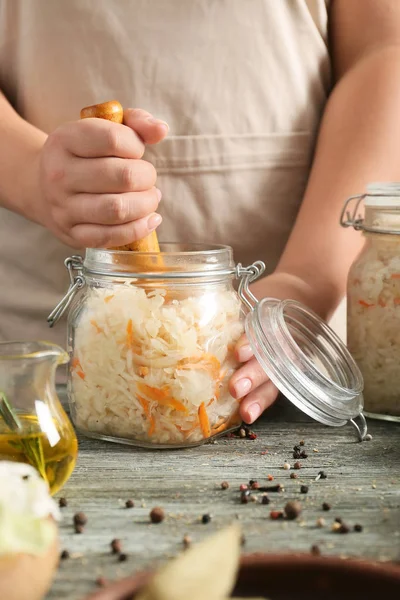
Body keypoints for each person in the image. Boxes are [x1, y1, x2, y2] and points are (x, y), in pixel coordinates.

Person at [0, 0, 399, 425]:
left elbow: (382, 48)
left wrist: (307, 280)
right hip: (44, 381)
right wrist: (28, 172)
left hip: (299, 364)